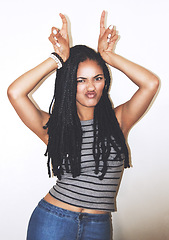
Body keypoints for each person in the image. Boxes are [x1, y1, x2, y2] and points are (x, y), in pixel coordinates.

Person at [7, 11, 159, 240]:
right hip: (53, 220)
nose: (91, 87)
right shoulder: (54, 127)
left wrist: (108, 56)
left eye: (98, 78)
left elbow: (150, 83)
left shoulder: (118, 121)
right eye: (81, 80)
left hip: (98, 224)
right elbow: (15, 92)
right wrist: (57, 59)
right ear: (70, 83)